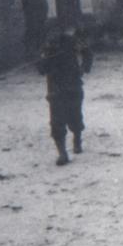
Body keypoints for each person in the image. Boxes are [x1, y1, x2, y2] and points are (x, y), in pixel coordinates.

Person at [36, 28, 92, 166]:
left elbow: (87, 53)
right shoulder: (46, 47)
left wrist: (83, 68)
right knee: (56, 121)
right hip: (55, 88)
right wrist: (43, 61)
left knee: (75, 116)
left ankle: (77, 139)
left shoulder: (71, 41)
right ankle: (62, 153)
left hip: (73, 84)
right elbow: (41, 69)